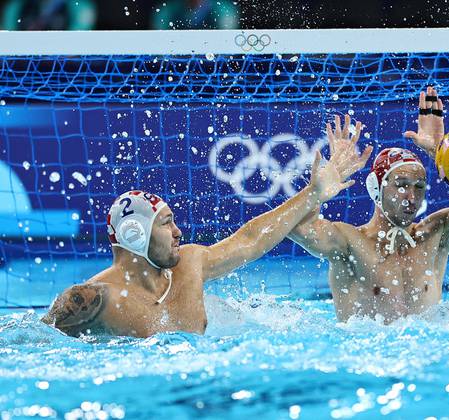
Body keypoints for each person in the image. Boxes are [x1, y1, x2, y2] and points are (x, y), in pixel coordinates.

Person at [42, 118, 372, 337]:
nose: (178, 233)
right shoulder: (91, 300)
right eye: (166, 223)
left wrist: (313, 193)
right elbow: (31, 342)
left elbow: (251, 239)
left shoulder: (190, 263)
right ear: (134, 235)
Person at [288, 87, 449, 323]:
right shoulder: (350, 243)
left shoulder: (436, 234)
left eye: (419, 187)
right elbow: (295, 227)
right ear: (376, 188)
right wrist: (318, 189)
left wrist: (441, 152)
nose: (412, 196)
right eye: (402, 185)